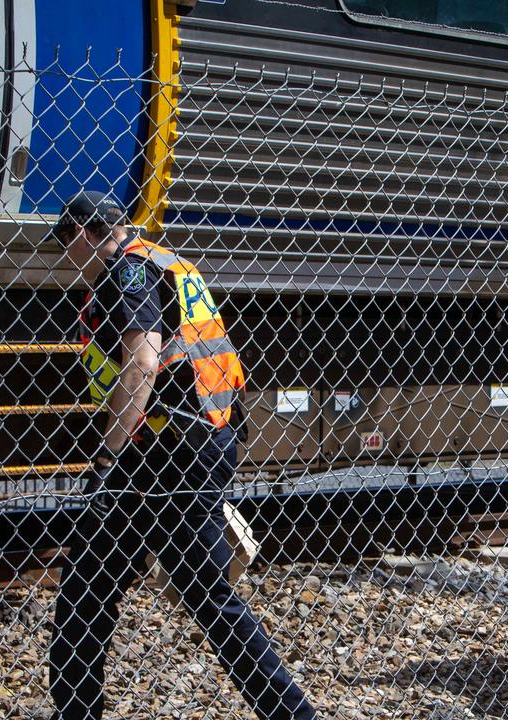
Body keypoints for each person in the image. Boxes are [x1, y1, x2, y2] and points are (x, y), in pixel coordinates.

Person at [44, 191, 318, 720]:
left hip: (168, 456)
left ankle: (294, 715)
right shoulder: (165, 261)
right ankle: (74, 710)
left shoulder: (128, 274)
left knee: (192, 593)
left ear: (84, 231)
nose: (62, 251)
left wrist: (106, 458)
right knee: (94, 583)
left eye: (62, 238)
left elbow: (143, 362)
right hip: (186, 445)